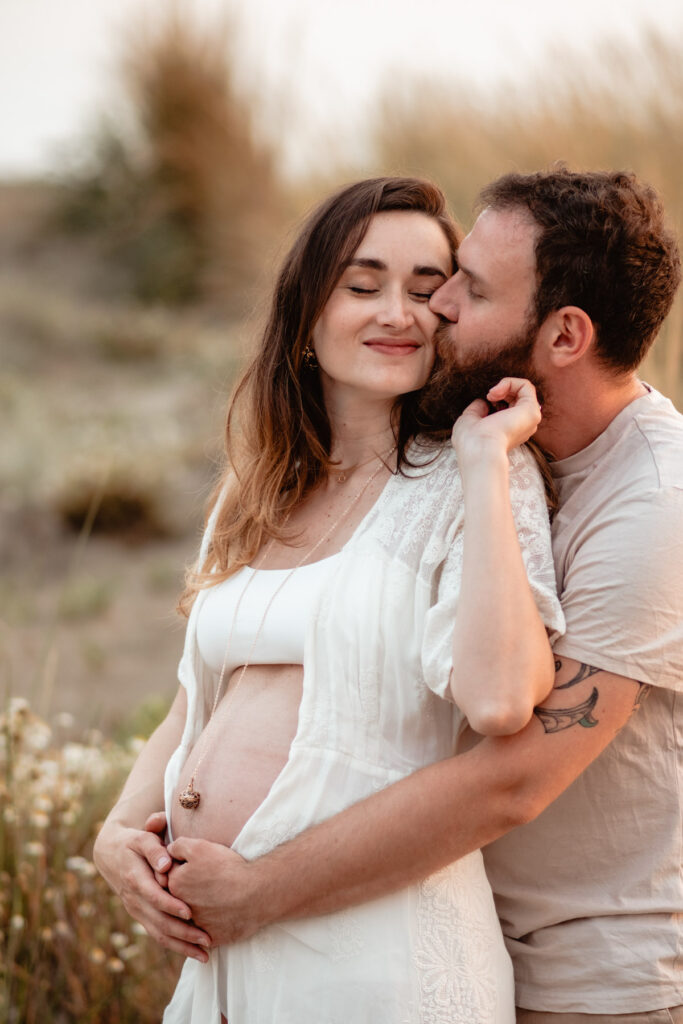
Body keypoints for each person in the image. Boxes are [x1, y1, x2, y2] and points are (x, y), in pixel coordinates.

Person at [123, 169, 681, 1023]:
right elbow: (197, 698)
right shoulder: (266, 488)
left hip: (589, 969)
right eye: (364, 284)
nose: (432, 308)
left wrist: (262, 888)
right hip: (313, 943)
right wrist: (117, 833)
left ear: (564, 336)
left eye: (453, 285)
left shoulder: (644, 505)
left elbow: (509, 766)